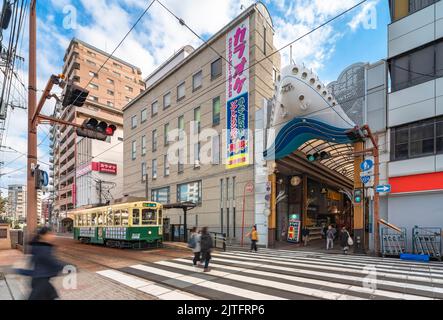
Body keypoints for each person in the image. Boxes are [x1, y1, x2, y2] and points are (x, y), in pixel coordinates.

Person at [16, 227, 65, 300]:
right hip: (41, 283)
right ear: (43, 235)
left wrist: (19, 271)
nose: (53, 236)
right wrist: (68, 267)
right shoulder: (42, 248)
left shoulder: (39, 246)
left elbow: (33, 266)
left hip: (41, 281)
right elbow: (52, 262)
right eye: (50, 234)